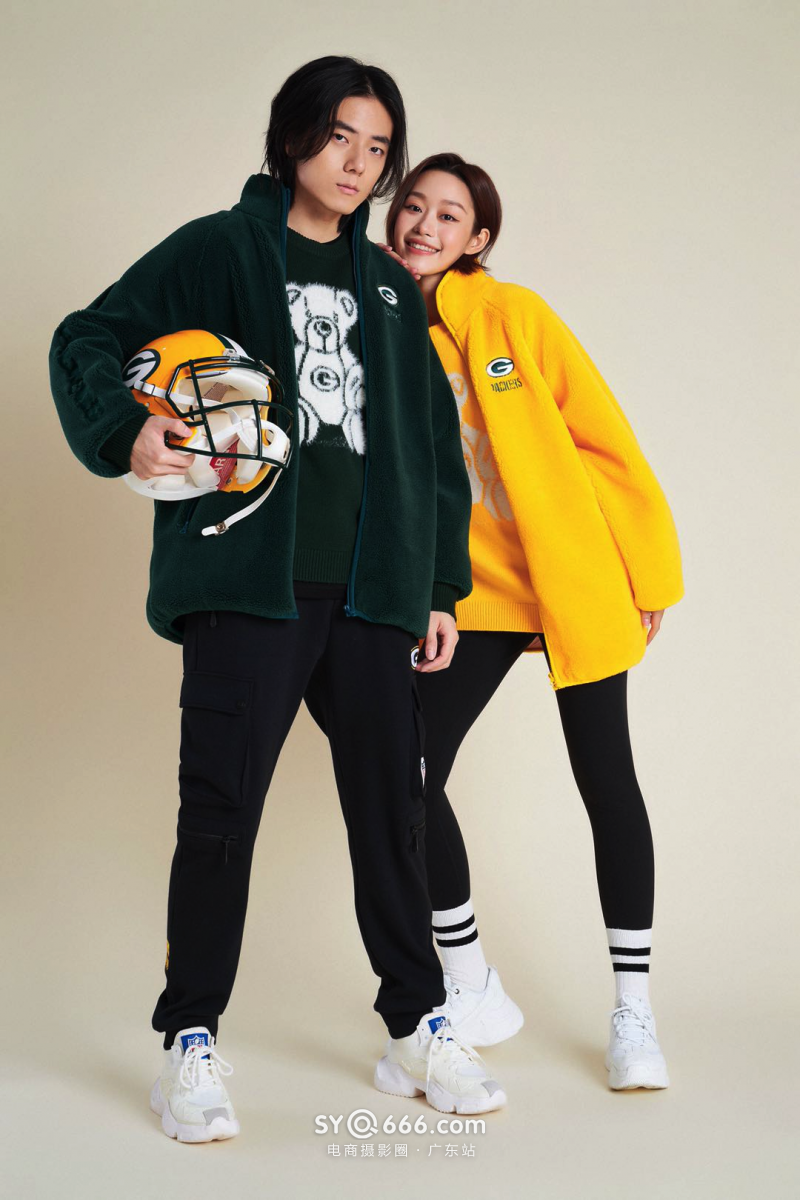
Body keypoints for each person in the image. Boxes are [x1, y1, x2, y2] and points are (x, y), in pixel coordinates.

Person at [49, 66, 509, 1143]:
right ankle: (189, 1041)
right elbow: (86, 335)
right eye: (341, 137)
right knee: (221, 812)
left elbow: (431, 448)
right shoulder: (219, 249)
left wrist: (438, 587)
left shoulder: (389, 285)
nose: (359, 164)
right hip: (246, 583)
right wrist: (125, 432)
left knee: (392, 813)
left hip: (374, 595)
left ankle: (416, 1024)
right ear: (295, 136)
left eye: (378, 148)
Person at [379, 153, 684, 1090]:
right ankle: (471, 979)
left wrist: (649, 572)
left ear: (477, 239)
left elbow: (604, 438)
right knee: (406, 772)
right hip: (466, 596)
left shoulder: (517, 316)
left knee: (607, 781)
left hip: (571, 579)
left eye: (449, 215)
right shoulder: (375, 327)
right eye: (414, 206)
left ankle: (634, 1015)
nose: (425, 225)